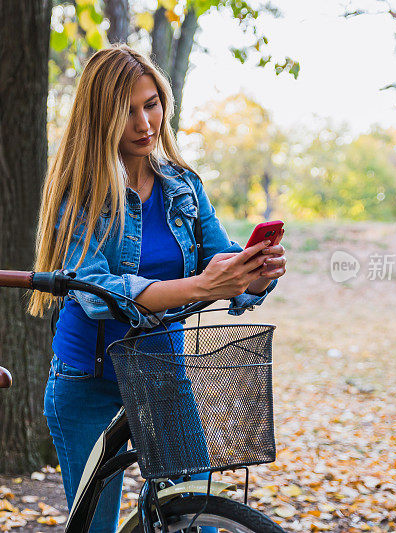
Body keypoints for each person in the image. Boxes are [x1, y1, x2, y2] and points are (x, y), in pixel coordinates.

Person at [27, 44, 286, 532]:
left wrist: (253, 271)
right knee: (96, 527)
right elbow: (98, 289)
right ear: (100, 118)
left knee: (195, 519)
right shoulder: (79, 195)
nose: (144, 122)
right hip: (88, 377)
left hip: (162, 369)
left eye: (151, 104)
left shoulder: (182, 185)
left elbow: (217, 257)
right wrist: (200, 286)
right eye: (126, 111)